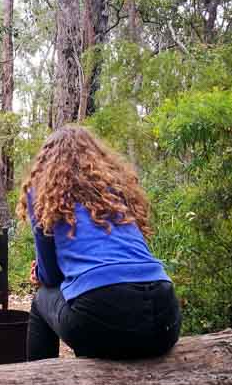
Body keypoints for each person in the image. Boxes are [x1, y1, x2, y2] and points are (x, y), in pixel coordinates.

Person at [18, 126, 181, 361]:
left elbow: (51, 277)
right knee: (93, 309)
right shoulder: (116, 190)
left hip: (102, 319)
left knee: (43, 298)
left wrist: (41, 274)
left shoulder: (43, 192)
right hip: (165, 317)